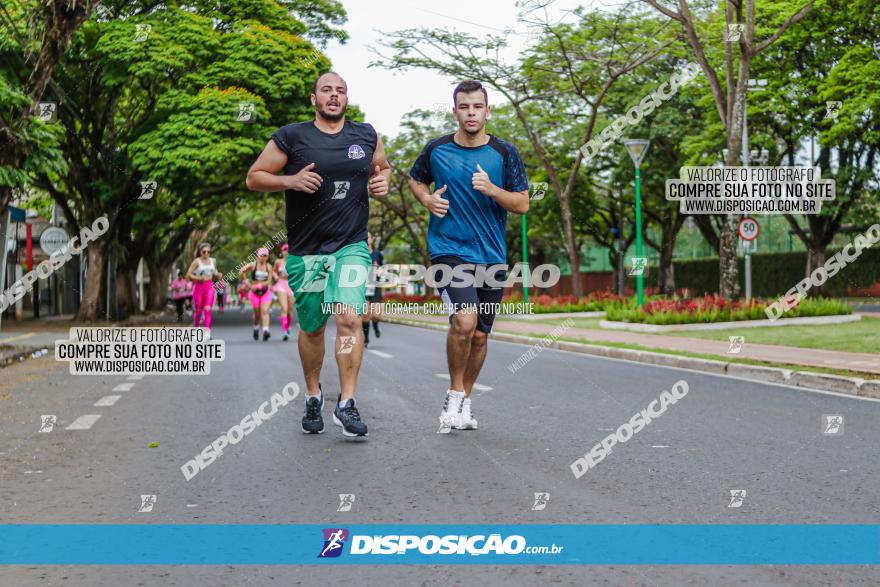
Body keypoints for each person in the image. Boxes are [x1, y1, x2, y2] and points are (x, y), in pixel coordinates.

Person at [245, 71, 391, 437]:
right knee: (312, 328)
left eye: (341, 90)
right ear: (314, 98)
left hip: (352, 246)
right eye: (326, 90)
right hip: (307, 250)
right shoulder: (292, 137)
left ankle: (347, 402)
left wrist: (383, 180)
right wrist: (289, 181)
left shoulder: (366, 135)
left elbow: (382, 168)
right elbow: (254, 176)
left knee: (349, 320)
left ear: (347, 99)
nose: (334, 95)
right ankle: (314, 395)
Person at [409, 80, 530, 432]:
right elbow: (415, 180)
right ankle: (453, 393)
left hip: (491, 256)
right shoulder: (437, 150)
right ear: (455, 111)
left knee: (479, 335)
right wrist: (427, 199)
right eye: (464, 107)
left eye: (477, 106)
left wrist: (493, 190)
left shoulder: (505, 153)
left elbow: (522, 203)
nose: (471, 113)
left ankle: (466, 398)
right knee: (464, 320)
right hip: (448, 250)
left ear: (487, 111)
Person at [185, 242, 222, 339]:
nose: (206, 254)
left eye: (208, 252)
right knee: (198, 311)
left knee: (207, 309)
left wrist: (218, 274)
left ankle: (207, 334)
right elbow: (188, 275)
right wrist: (198, 278)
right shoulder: (196, 262)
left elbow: (215, 271)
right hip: (198, 288)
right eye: (204, 252)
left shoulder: (213, 261)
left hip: (209, 287)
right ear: (200, 252)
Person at [239, 248, 274, 340]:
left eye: (265, 255)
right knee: (257, 314)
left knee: (265, 311)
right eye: (261, 255)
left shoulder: (269, 267)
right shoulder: (253, 265)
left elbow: (269, 281)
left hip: (265, 292)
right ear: (258, 256)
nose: (263, 257)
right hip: (254, 294)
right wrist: (247, 282)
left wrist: (260, 285)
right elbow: (241, 271)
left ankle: (266, 330)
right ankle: (256, 328)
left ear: (267, 257)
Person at [362, 232, 384, 347]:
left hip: (375, 287)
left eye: (368, 237)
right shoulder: (359, 255)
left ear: (372, 239)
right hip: (364, 288)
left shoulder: (377, 254)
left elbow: (382, 267)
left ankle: (375, 326)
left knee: (376, 315)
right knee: (365, 315)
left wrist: (380, 271)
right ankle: (366, 338)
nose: (366, 239)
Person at [273, 244, 295, 341]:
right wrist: (276, 277)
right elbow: (273, 271)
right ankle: (284, 331)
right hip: (281, 284)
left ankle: (288, 326)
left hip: (291, 285)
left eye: (288, 250)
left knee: (290, 310)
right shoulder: (278, 262)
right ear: (282, 252)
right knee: (284, 307)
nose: (286, 252)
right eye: (284, 250)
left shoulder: (293, 262)